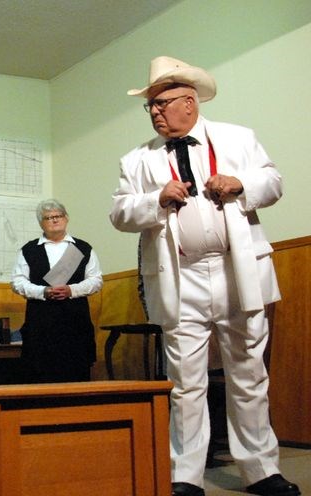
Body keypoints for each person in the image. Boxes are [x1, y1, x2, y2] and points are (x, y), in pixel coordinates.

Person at [109, 56, 299, 496]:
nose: (155, 112)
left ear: (189, 103)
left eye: (163, 103)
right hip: (180, 275)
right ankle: (185, 475)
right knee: (185, 382)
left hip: (239, 271)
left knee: (249, 373)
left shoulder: (237, 137)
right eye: (150, 107)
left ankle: (261, 470)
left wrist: (240, 185)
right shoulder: (137, 159)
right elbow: (120, 212)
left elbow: (273, 181)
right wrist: (156, 199)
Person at [11, 199, 102, 383]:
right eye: (48, 217)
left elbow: (96, 280)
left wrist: (72, 290)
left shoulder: (83, 248)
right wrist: (43, 291)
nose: (54, 220)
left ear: (66, 218)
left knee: (77, 374)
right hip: (40, 323)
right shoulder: (28, 250)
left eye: (58, 216)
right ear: (40, 223)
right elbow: (17, 282)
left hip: (75, 322)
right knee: (40, 374)